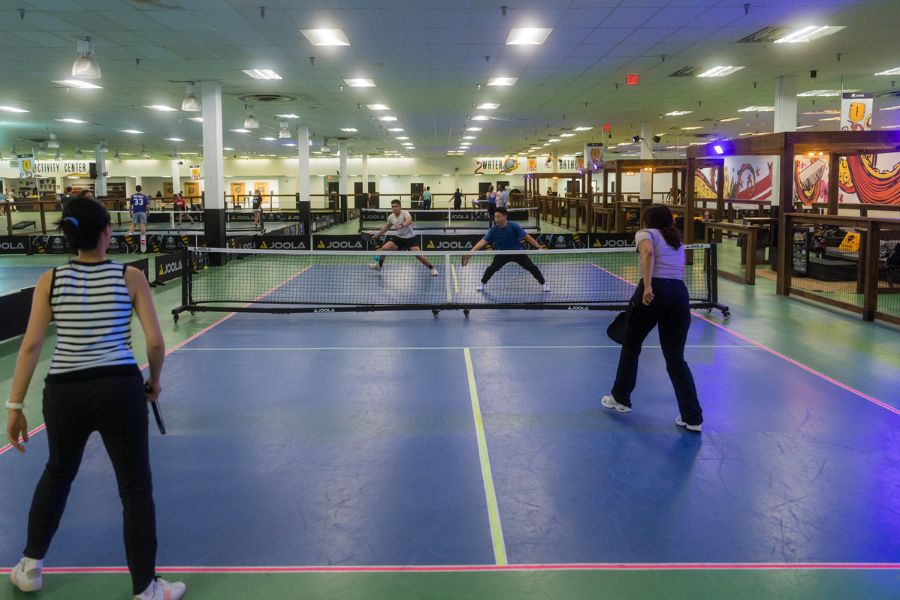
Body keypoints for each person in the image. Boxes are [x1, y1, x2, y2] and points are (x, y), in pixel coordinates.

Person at [5, 196, 186, 600]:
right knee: (135, 487)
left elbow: (31, 346)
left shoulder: (50, 280)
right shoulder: (130, 276)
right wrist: (155, 382)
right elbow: (156, 343)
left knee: (57, 474)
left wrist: (14, 406)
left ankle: (30, 568)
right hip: (119, 389)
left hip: (64, 392)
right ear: (107, 232)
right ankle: (146, 588)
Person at [600, 204, 703, 433]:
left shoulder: (645, 234)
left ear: (646, 220)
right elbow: (679, 271)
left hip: (654, 291)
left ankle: (621, 398)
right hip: (679, 295)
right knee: (676, 359)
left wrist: (647, 287)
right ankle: (693, 417)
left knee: (631, 345)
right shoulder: (677, 241)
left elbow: (647, 253)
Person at [466, 207, 548, 292]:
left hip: (517, 253)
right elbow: (483, 242)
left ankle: (544, 284)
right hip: (502, 254)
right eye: (495, 217)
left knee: (532, 267)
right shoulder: (493, 230)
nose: (496, 219)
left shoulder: (514, 226)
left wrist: (539, 247)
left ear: (505, 216)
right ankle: (482, 284)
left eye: (498, 216)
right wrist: (471, 251)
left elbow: (526, 236)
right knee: (491, 268)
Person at [368, 199, 438, 276]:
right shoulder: (391, 217)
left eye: (396, 206)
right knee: (384, 248)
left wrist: (402, 225)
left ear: (400, 207)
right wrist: (377, 235)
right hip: (399, 238)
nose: (394, 208)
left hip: (410, 238)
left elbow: (409, 220)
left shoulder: (405, 213)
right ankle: (379, 266)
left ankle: (432, 268)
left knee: (419, 256)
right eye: (392, 207)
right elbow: (386, 227)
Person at [128, 185, 149, 250]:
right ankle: (143, 240)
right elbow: (147, 206)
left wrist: (130, 213)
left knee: (133, 225)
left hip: (135, 212)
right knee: (142, 225)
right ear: (141, 189)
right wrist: (148, 212)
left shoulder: (132, 196)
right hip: (142, 212)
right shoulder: (144, 196)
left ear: (136, 189)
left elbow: (130, 206)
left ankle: (130, 237)